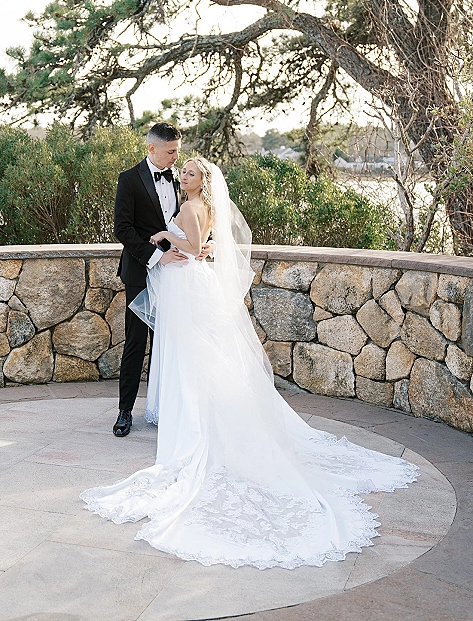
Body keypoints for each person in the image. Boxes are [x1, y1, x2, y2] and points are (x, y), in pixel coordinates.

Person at [82, 157, 419, 570]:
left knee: (187, 353)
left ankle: (192, 416)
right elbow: (199, 242)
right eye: (180, 169)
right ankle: (148, 408)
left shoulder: (189, 206)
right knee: (186, 351)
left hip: (184, 282)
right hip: (186, 280)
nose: (181, 174)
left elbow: (188, 244)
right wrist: (187, 245)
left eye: (188, 171)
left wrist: (162, 239)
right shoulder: (192, 201)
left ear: (200, 180)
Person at [111, 123, 209, 437]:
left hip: (176, 276)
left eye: (178, 151)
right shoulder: (129, 179)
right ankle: (125, 411)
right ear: (152, 148)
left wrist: (206, 245)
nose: (176, 158)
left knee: (169, 342)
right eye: (171, 152)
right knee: (136, 341)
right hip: (143, 270)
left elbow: (196, 217)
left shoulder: (182, 179)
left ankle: (164, 408)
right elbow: (123, 230)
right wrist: (158, 257)